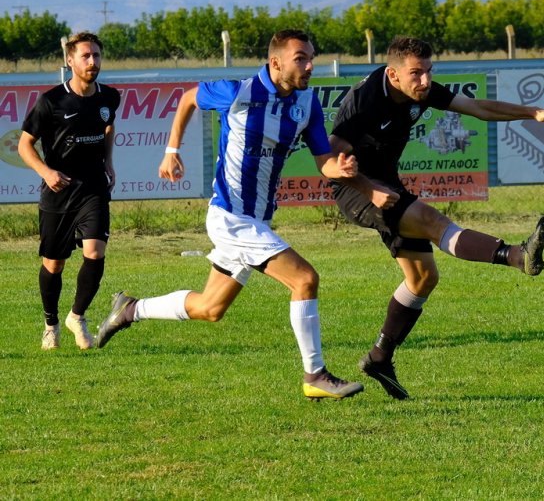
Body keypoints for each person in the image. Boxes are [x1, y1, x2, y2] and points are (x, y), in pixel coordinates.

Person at [94, 30, 364, 401]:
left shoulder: (307, 103)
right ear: (276, 63)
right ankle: (314, 374)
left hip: (256, 221)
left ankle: (129, 310)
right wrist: (171, 150)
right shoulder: (239, 91)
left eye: (311, 57)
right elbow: (189, 98)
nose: (310, 65)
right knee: (304, 279)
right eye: (301, 58)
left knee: (210, 307)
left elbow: (324, 164)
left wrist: (341, 169)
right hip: (231, 219)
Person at [329, 35, 544, 400]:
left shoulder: (422, 91)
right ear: (393, 75)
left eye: (428, 72)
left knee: (423, 278)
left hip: (388, 186)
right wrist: (367, 188)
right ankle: (517, 256)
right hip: (355, 190)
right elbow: (330, 161)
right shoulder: (365, 103)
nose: (424, 81)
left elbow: (478, 108)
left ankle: (379, 357)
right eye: (416, 74)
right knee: (431, 220)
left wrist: (531, 113)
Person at [18, 31, 120, 351]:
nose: (93, 62)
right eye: (86, 56)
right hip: (59, 192)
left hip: (93, 188)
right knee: (54, 264)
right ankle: (51, 324)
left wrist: (109, 163)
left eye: (97, 56)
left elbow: (108, 128)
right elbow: (24, 145)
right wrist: (46, 172)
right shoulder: (51, 101)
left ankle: (77, 316)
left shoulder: (109, 97)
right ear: (70, 60)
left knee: (95, 253)